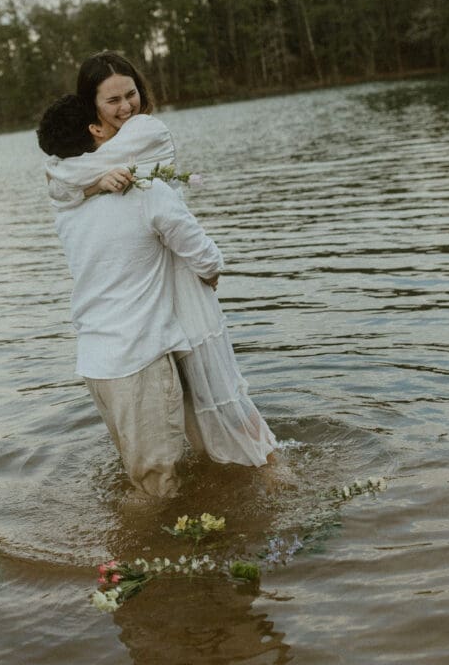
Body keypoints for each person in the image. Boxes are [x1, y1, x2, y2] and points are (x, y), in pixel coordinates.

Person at [44, 51, 278, 469]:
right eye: (112, 101)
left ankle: (266, 469)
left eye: (130, 94)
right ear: (91, 110)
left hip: (176, 276)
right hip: (148, 281)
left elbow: (64, 180)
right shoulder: (90, 169)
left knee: (218, 396)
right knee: (183, 405)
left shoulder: (148, 131)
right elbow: (63, 184)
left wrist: (91, 182)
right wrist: (96, 184)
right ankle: (216, 480)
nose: (126, 107)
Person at [37, 94, 223, 501]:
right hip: (139, 361)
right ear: (95, 129)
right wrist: (206, 277)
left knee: (140, 478)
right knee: (159, 490)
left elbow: (62, 186)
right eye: (108, 113)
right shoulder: (143, 192)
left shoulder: (68, 204)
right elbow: (206, 258)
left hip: (96, 365)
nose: (123, 117)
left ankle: (128, 557)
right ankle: (140, 562)